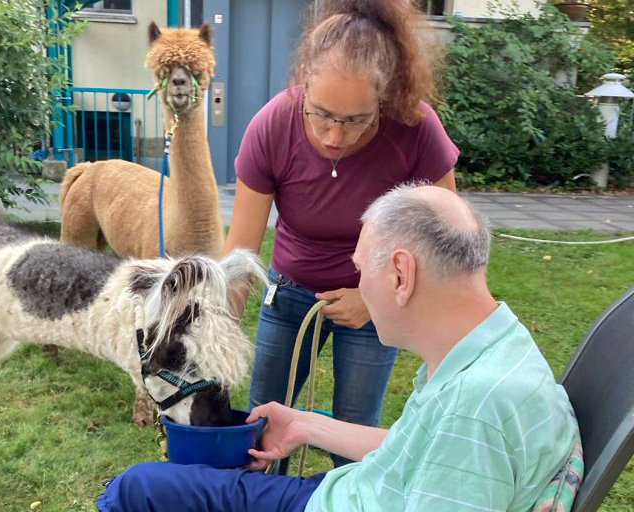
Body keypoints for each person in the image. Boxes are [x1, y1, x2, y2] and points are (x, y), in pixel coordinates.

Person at [97, 184, 580, 512]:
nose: (357, 286)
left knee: (136, 488)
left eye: (359, 270)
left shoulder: (478, 410)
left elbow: (458, 444)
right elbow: (419, 447)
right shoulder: (492, 348)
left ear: (400, 274)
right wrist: (306, 424)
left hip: (342, 499)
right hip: (350, 491)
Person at [221, 0, 459, 466]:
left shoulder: (415, 128)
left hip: (374, 306)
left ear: (385, 97)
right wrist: (214, 329)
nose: (334, 136)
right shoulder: (272, 126)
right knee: (261, 433)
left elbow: (447, 242)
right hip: (288, 297)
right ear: (304, 80)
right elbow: (239, 254)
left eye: (355, 120)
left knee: (356, 443)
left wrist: (373, 299)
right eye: (322, 113)